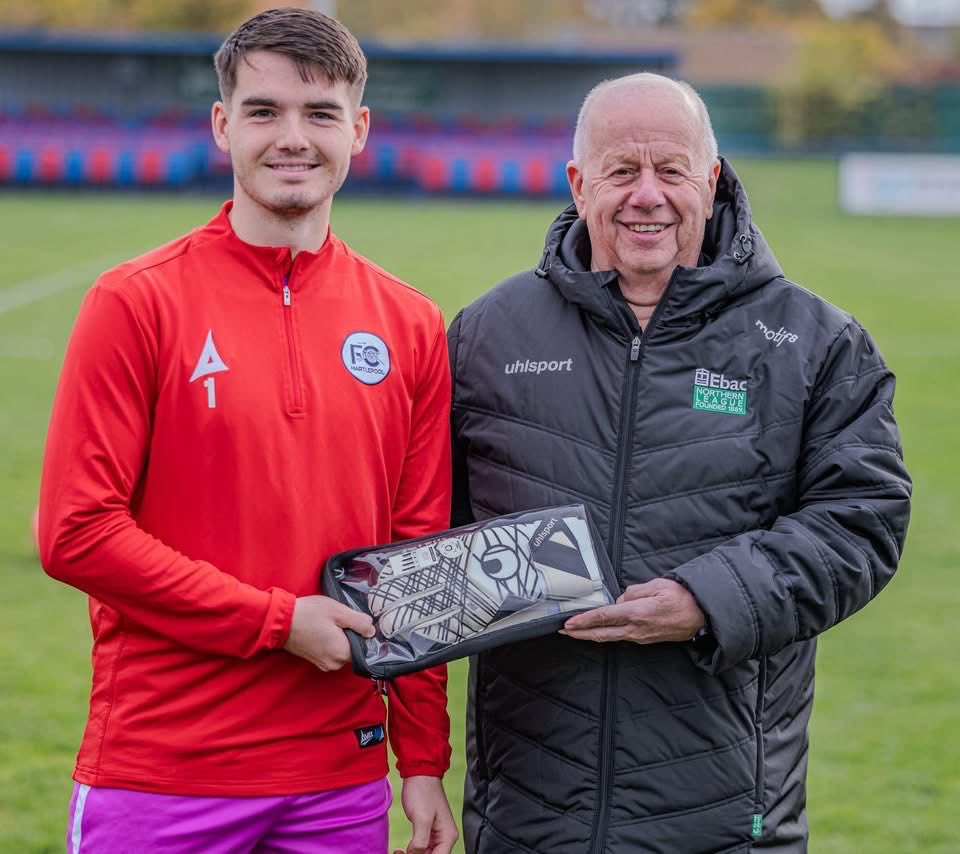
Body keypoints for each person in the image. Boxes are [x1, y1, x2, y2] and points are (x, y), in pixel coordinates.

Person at [448, 73, 910, 853]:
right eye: (622, 171)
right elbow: (424, 521)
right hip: (528, 810)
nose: (648, 195)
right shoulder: (489, 334)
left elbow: (861, 524)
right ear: (578, 182)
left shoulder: (815, 343)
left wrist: (711, 598)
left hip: (724, 812)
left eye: (671, 170)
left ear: (713, 178)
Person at [38, 9, 458, 854]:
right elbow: (75, 534)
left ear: (360, 130)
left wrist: (421, 758)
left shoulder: (411, 325)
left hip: (339, 777)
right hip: (161, 771)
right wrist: (275, 621)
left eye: (321, 113)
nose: (292, 138)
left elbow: (418, 556)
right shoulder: (135, 303)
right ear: (224, 125)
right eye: (265, 112)